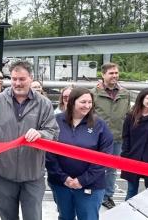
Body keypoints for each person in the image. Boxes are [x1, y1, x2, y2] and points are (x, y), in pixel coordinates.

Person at [0, 60, 59, 220]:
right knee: (7, 217)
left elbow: (53, 133)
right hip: (2, 174)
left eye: (22, 79)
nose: (17, 83)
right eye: (14, 79)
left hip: (32, 175)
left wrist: (41, 134)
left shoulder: (44, 104)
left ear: (31, 78)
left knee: (33, 217)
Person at [47, 88, 113, 220]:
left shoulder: (99, 125)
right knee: (65, 217)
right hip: (61, 184)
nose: (87, 105)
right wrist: (63, 178)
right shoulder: (56, 121)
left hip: (90, 186)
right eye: (83, 102)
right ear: (72, 102)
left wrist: (82, 180)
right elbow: (48, 154)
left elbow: (105, 157)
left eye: (90, 102)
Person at [89, 62, 133, 208]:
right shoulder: (93, 93)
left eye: (116, 73)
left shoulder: (125, 93)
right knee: (93, 166)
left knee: (112, 170)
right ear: (103, 75)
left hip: (117, 138)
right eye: (111, 73)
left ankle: (107, 196)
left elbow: (128, 115)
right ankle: (92, 193)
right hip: (97, 138)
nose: (114, 76)